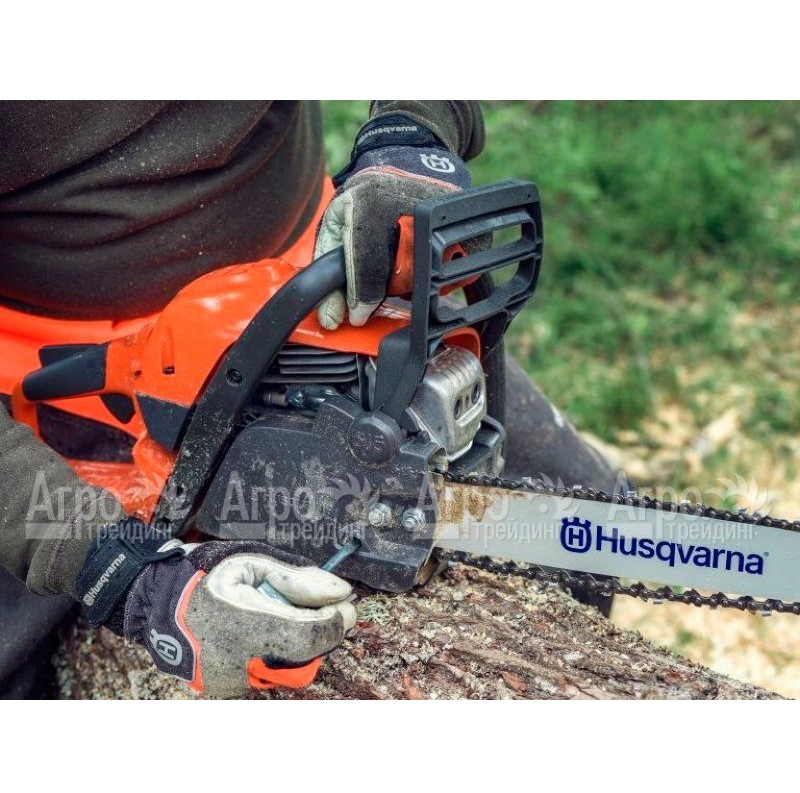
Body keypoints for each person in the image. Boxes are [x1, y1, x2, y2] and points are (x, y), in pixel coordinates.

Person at [0, 101, 624, 699]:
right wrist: (119, 574)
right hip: (45, 377)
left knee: (587, 517)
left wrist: (412, 132)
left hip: (319, 297)